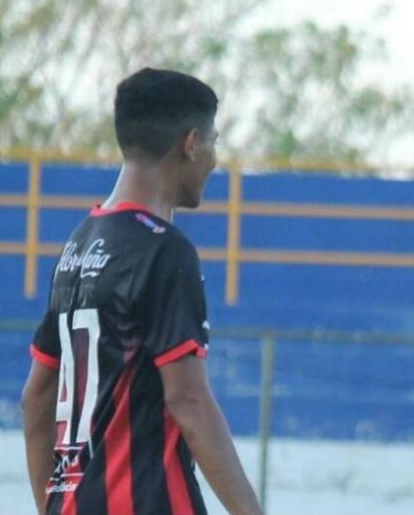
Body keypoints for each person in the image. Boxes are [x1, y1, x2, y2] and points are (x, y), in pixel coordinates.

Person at [21, 68, 263, 515]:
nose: (214, 158)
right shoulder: (163, 251)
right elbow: (188, 400)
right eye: (214, 142)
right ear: (191, 144)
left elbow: (35, 397)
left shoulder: (78, 244)